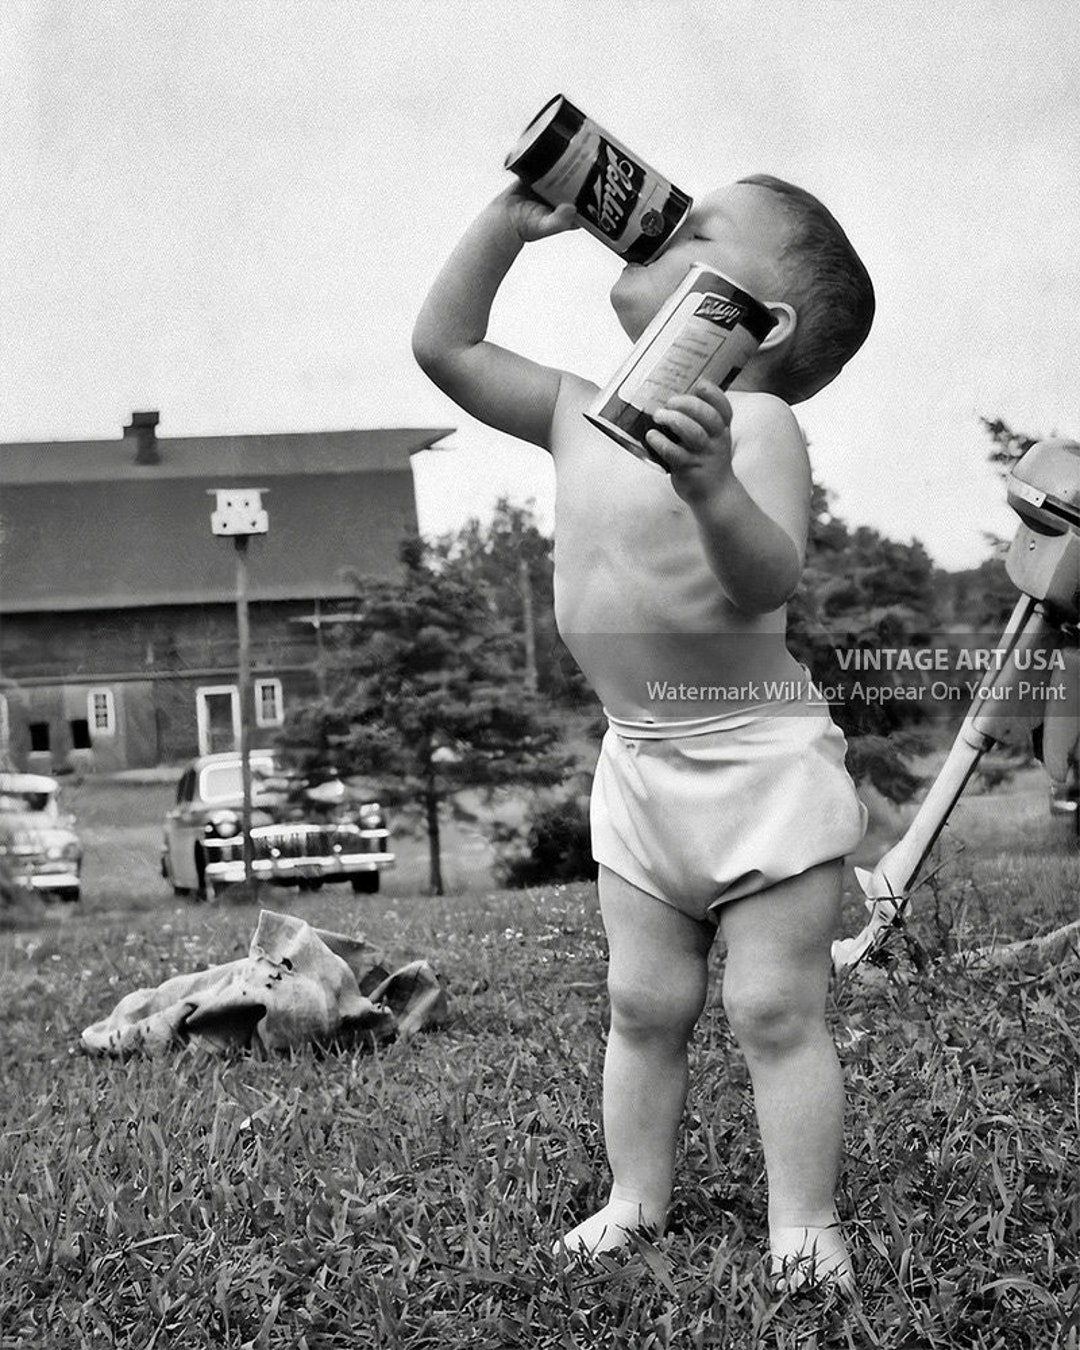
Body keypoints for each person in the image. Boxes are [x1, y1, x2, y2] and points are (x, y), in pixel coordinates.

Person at [412, 168, 875, 1291]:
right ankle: (635, 1197)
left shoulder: (756, 423)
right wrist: (507, 226)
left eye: (702, 230)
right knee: (642, 1002)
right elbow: (446, 347)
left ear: (757, 323)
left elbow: (768, 578)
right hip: (643, 762)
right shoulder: (578, 409)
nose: (661, 226)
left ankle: (806, 1221)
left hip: (759, 758)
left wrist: (715, 486)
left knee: (773, 1007)